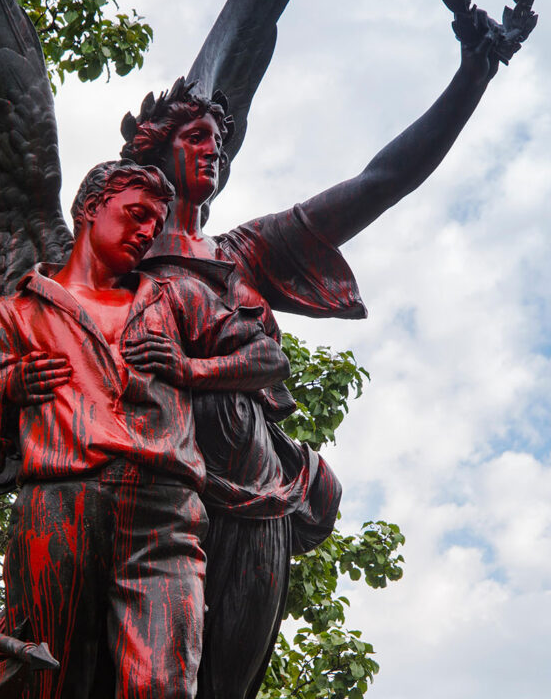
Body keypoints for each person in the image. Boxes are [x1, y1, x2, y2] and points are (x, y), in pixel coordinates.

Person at [120, 44, 500, 699]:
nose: (215, 152)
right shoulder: (111, 264)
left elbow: (380, 183)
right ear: (155, 151)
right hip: (155, 491)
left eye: (220, 142)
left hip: (261, 496)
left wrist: (474, 73)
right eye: (197, 138)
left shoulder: (246, 252)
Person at [0, 160, 291, 699]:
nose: (146, 233)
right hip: (58, 513)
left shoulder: (173, 300)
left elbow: (268, 357)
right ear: (90, 209)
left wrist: (190, 369)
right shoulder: (15, 315)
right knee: (51, 684)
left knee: (165, 685)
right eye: (135, 216)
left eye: (155, 226)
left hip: (165, 518)